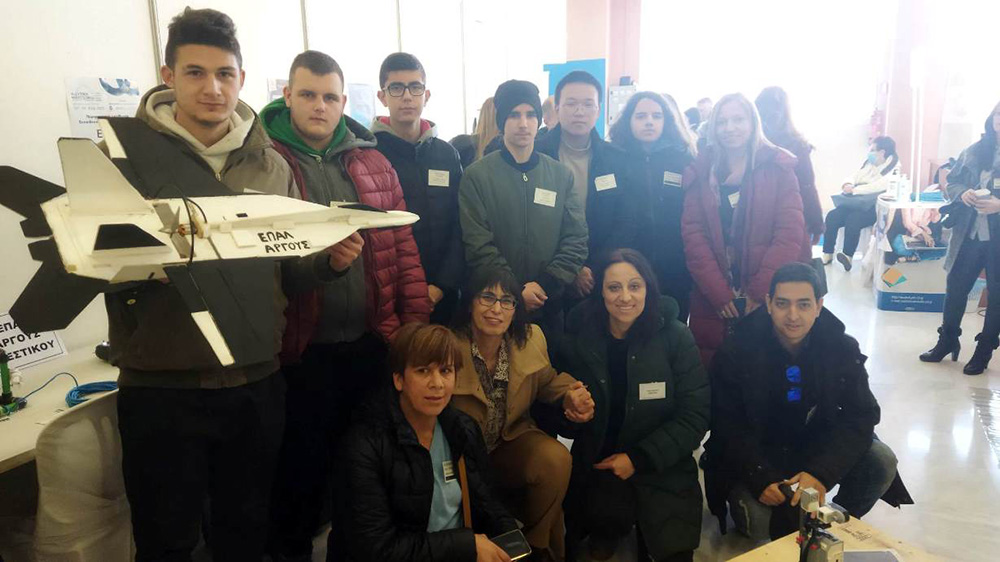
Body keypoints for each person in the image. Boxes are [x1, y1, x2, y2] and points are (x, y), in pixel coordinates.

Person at [108, 8, 326, 560]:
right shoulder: (122, 159)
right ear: (168, 76)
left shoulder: (270, 165)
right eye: (196, 73)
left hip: (254, 383)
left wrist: (331, 263)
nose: (213, 89)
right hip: (161, 387)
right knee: (166, 542)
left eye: (225, 74)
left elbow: (287, 268)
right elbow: (96, 265)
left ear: (242, 79)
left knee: (245, 535)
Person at [260, 50, 431, 559]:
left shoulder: (372, 162)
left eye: (330, 97)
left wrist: (414, 331)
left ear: (343, 102)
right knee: (299, 474)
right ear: (287, 96)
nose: (320, 106)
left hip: (370, 344)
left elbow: (403, 251)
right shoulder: (266, 162)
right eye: (308, 95)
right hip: (300, 350)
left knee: (364, 474)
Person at [704, 263, 911, 541]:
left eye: (803, 304)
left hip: (814, 447)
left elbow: (861, 415)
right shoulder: (736, 350)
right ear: (768, 304)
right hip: (760, 453)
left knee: (882, 461)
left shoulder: (841, 348)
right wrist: (760, 476)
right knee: (758, 524)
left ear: (818, 306)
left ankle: (834, 522)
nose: (793, 315)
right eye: (782, 304)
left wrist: (821, 473)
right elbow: (725, 423)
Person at [560, 249, 709, 562]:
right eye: (614, 287)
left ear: (648, 289)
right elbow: (555, 410)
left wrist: (638, 458)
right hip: (602, 462)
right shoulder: (581, 338)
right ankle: (608, 527)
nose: (625, 297)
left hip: (663, 462)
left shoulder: (677, 337)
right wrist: (570, 410)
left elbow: (695, 417)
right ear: (600, 292)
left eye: (635, 286)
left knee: (672, 549)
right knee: (595, 533)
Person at [332, 323, 518, 562]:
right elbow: (375, 549)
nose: (437, 383)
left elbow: (487, 502)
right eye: (423, 371)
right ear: (399, 379)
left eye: (446, 370)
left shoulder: (462, 428)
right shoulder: (365, 444)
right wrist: (466, 545)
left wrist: (512, 542)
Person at [450, 268, 596, 561]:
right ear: (469, 303)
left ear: (516, 309)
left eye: (507, 301)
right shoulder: (447, 343)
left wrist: (571, 393)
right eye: (487, 297)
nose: (496, 309)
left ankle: (534, 546)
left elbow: (547, 380)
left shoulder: (530, 338)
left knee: (555, 458)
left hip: (509, 441)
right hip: (460, 456)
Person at [459, 79, 589, 345]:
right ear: (501, 121)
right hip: (496, 307)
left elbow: (576, 238)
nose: (523, 123)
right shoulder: (477, 176)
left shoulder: (560, 175)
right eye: (514, 115)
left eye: (530, 115)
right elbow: (478, 244)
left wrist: (544, 284)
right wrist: (514, 291)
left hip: (549, 304)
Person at [681, 93, 804, 366]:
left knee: (764, 369)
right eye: (722, 121)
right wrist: (717, 292)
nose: (730, 128)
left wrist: (761, 290)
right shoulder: (701, 169)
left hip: (765, 292)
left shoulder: (779, 167)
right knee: (713, 366)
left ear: (753, 122)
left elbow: (789, 234)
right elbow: (693, 235)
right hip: (712, 295)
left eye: (738, 119)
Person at [371, 52, 465, 324]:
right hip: (391, 294)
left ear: (427, 95)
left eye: (415, 87)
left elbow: (461, 222)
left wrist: (442, 285)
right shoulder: (369, 154)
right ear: (382, 96)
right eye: (396, 88)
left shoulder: (446, 154)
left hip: (444, 292)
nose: (407, 97)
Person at [535, 70, 632, 304]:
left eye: (588, 104)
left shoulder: (617, 159)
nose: (579, 111)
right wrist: (569, 268)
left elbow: (625, 221)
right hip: (544, 276)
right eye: (571, 103)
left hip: (600, 274)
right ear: (557, 108)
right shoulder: (535, 154)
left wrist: (591, 267)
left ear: (598, 110)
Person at [921, 102, 1000, 375]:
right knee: (955, 287)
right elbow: (952, 181)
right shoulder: (974, 151)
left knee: (997, 296)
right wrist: (962, 192)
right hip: (969, 234)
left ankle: (984, 350)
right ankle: (947, 341)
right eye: (998, 114)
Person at [609, 91, 697, 321]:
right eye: (641, 116)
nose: (649, 121)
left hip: (676, 265)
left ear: (667, 120)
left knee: (674, 326)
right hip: (629, 264)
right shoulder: (614, 159)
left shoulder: (684, 159)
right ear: (628, 120)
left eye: (656, 116)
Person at [756, 87, 824, 261]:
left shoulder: (751, 146)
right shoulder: (797, 145)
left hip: (756, 221)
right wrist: (816, 224)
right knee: (793, 270)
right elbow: (807, 186)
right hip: (792, 219)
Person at [822, 136, 901, 271]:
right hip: (856, 202)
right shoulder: (869, 164)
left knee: (853, 219)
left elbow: (877, 186)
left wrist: (855, 190)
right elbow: (855, 176)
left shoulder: (894, 170)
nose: (869, 153)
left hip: (872, 207)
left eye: (872, 150)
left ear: (882, 152)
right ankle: (827, 253)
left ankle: (847, 256)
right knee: (832, 216)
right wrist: (848, 184)